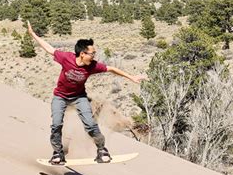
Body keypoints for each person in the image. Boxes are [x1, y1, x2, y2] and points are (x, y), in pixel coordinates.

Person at [27, 21, 146, 165]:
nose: (94, 56)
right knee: (56, 125)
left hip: (79, 98)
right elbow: (49, 48)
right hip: (60, 97)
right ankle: (58, 153)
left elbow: (112, 69)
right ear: (82, 54)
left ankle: (102, 150)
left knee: (90, 124)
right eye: (92, 53)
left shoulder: (93, 66)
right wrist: (33, 34)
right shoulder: (66, 58)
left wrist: (132, 77)